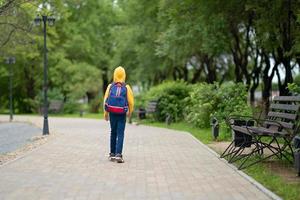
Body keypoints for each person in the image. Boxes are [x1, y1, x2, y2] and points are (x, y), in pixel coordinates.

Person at [103, 66, 134, 163]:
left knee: (113, 132)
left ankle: (112, 154)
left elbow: (105, 100)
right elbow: (131, 102)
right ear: (124, 75)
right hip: (122, 114)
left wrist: (106, 114)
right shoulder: (126, 87)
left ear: (114, 75)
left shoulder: (110, 86)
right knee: (120, 133)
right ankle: (118, 155)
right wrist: (130, 112)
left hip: (112, 112)